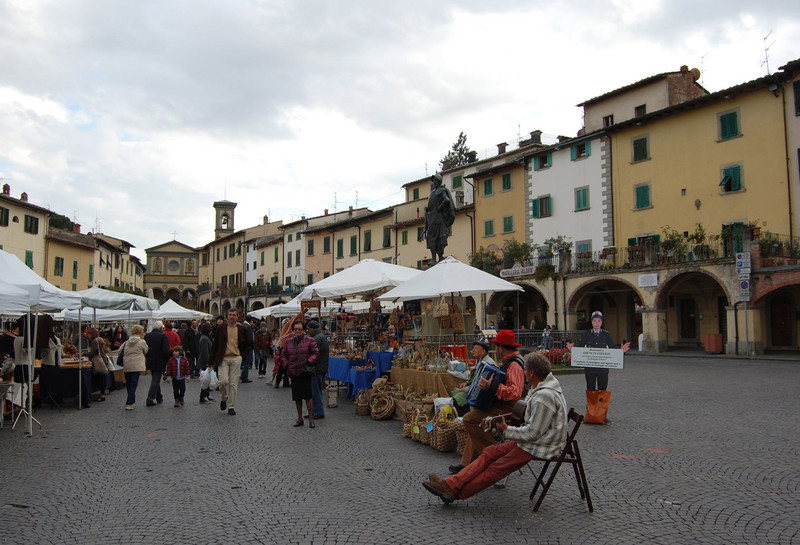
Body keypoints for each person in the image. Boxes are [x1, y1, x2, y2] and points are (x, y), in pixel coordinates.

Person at [422, 352, 568, 503]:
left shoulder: (544, 397)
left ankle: (455, 492)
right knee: (490, 452)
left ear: (532, 373)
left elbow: (534, 433)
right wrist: (500, 422)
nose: (524, 373)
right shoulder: (541, 388)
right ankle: (450, 484)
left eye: (526, 371)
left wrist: (507, 430)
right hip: (534, 441)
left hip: (541, 445)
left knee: (496, 468)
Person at [449, 329, 525, 475]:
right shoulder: (508, 362)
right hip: (502, 405)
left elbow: (515, 392)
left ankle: (494, 455)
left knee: (470, 419)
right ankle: (467, 464)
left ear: (501, 347)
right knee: (477, 420)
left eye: (497, 346)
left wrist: (493, 388)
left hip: (510, 408)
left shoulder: (514, 365)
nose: (496, 349)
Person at [566, 311, 630, 424]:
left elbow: (612, 347)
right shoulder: (587, 334)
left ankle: (602, 415)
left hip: (603, 369)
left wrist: (621, 352)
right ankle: (590, 414)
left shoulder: (606, 334)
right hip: (590, 369)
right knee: (590, 391)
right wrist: (572, 349)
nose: (596, 323)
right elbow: (580, 347)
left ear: (602, 322)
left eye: (599, 321)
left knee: (602, 392)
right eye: (594, 320)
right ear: (591, 322)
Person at [210, 309, 252, 416]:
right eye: (230, 315)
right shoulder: (221, 329)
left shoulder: (242, 329)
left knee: (233, 384)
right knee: (222, 381)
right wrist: (210, 360)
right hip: (223, 358)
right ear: (227, 316)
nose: (231, 317)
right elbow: (215, 345)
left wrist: (242, 357)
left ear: (237, 317)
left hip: (236, 358)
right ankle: (224, 397)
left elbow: (248, 344)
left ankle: (231, 406)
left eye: (234, 315)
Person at [282, 321, 320, 428]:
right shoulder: (288, 342)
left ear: (304, 330)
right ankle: (299, 418)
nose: (297, 331)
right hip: (294, 372)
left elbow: (316, 353)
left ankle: (311, 419)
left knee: (308, 396)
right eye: (296, 329)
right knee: (297, 397)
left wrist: (309, 362)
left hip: (305, 372)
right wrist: (286, 366)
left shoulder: (310, 341)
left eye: (299, 329)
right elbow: (283, 355)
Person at [451, 337, 496, 416]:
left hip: (482, 394)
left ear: (483, 351)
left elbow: (479, 382)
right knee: (455, 394)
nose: (473, 350)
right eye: (473, 348)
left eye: (476, 348)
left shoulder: (487, 364)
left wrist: (467, 389)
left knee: (459, 398)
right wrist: (467, 383)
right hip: (475, 390)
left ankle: (463, 419)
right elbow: (474, 378)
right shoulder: (479, 361)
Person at [423, 174, 456, 264]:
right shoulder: (433, 192)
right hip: (431, 218)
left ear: (439, 181)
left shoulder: (441, 190)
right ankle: (434, 258)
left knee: (439, 237)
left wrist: (439, 208)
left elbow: (446, 200)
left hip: (437, 218)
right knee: (431, 238)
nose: (434, 182)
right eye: (433, 181)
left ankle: (439, 257)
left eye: (435, 180)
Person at [119, 324, 148, 410]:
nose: (143, 333)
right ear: (139, 333)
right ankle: (129, 402)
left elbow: (120, 350)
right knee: (133, 383)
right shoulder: (142, 342)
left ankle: (132, 401)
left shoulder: (126, 342)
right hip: (136, 364)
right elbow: (146, 351)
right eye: (142, 331)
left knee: (129, 384)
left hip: (127, 364)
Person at [144, 321, 171, 406]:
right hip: (160, 360)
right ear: (161, 328)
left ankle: (159, 396)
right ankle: (150, 398)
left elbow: (145, 349)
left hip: (150, 360)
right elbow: (166, 350)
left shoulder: (147, 336)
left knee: (155, 378)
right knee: (155, 380)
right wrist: (167, 360)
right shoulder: (163, 336)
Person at [307, 319, 328, 420]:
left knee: (316, 391)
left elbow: (314, 354)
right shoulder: (321, 336)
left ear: (310, 329)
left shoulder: (315, 339)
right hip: (321, 367)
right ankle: (314, 411)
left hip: (317, 368)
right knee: (316, 390)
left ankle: (318, 411)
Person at [86, 328, 109, 402]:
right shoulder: (100, 339)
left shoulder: (95, 341)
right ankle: (102, 393)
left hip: (99, 361)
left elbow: (93, 352)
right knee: (102, 377)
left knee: (100, 378)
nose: (88, 335)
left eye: (89, 334)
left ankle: (102, 395)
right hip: (103, 359)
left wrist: (84, 353)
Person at [197, 323, 215, 403]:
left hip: (207, 361)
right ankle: (203, 396)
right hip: (205, 362)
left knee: (208, 378)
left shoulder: (206, 337)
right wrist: (208, 362)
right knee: (205, 379)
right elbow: (205, 352)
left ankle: (207, 395)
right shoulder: (204, 339)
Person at [239, 316, 254, 383]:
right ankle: (245, 377)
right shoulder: (248, 327)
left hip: (242, 346)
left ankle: (242, 375)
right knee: (246, 362)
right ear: (250, 321)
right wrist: (252, 346)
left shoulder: (241, 326)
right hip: (248, 347)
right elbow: (250, 338)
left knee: (243, 361)